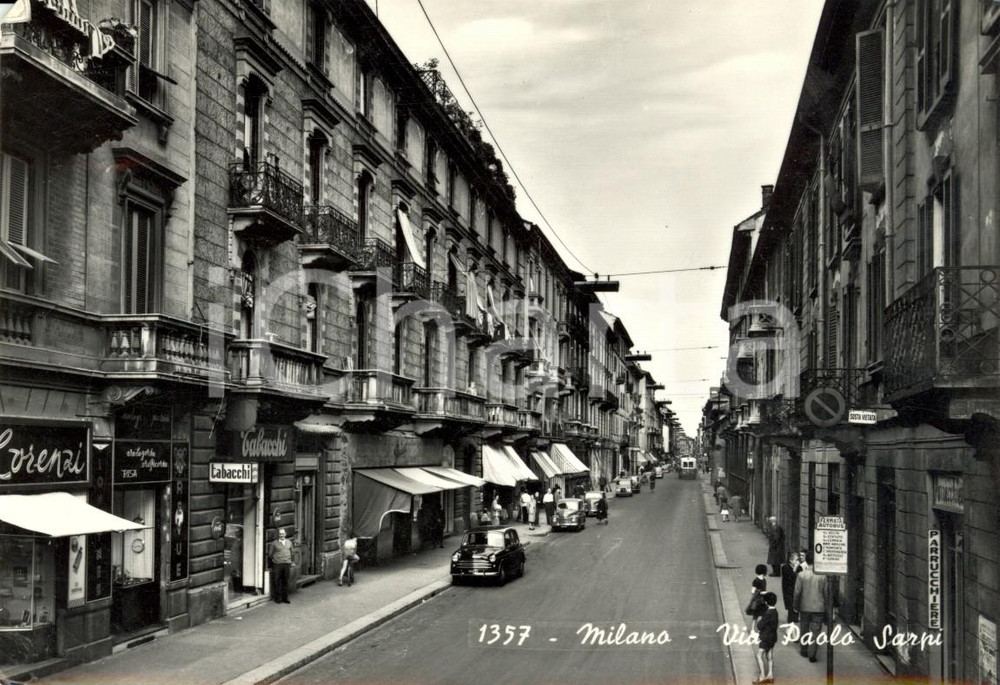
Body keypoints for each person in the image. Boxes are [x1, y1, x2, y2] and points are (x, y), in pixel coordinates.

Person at [793, 551, 828, 663]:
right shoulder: (823, 576)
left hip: (804, 606)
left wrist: (795, 605)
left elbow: (797, 592)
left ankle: (804, 650)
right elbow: (826, 593)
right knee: (815, 631)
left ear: (806, 562)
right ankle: (812, 654)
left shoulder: (801, 575)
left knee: (804, 628)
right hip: (818, 607)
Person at [754, 592, 779, 684]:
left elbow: (759, 625)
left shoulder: (768, 613)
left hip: (766, 637)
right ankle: (770, 675)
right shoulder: (775, 611)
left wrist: (760, 617)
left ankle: (762, 676)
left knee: (759, 656)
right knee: (769, 656)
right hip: (773, 637)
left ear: (767, 602)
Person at [268, 528, 292, 603]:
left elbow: (292, 552)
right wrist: (275, 560)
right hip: (277, 564)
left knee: (285, 581)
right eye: (280, 534)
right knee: (277, 581)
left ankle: (285, 598)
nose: (281, 535)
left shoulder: (289, 542)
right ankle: (278, 598)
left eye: (283, 534)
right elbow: (270, 554)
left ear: (285, 534)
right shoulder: (274, 543)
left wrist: (290, 560)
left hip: (287, 564)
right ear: (278, 535)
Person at [781, 551, 803, 625]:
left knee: (796, 611)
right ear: (791, 560)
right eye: (796, 560)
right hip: (789, 592)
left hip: (797, 591)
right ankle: (790, 629)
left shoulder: (799, 568)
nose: (798, 562)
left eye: (798, 560)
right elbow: (790, 579)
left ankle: (793, 626)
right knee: (791, 611)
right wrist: (794, 569)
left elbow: (800, 579)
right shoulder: (785, 568)